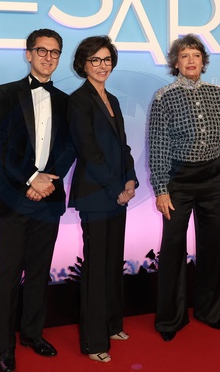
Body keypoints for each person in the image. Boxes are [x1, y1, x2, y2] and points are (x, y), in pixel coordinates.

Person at [0, 28, 76, 372]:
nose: (48, 57)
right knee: (8, 274)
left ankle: (33, 334)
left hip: (47, 198)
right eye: (42, 51)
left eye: (55, 52)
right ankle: (5, 348)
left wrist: (48, 179)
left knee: (39, 270)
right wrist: (32, 178)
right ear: (29, 54)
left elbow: (70, 146)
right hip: (12, 196)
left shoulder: (66, 101)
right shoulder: (7, 93)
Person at [147, 34, 220, 342]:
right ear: (175, 63)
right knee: (173, 249)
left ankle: (210, 311)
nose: (190, 60)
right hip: (178, 182)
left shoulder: (218, 95)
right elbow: (159, 147)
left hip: (214, 180)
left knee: (214, 247)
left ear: (203, 61)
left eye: (195, 55)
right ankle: (170, 319)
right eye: (184, 55)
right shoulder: (164, 97)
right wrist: (161, 188)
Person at [67, 36, 138, 363]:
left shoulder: (113, 99)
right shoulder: (78, 100)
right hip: (96, 195)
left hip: (118, 194)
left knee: (112, 263)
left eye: (107, 59)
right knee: (96, 269)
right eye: (95, 60)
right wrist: (115, 187)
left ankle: (112, 325)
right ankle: (94, 341)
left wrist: (130, 178)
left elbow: (122, 146)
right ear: (83, 64)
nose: (102, 65)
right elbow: (89, 151)